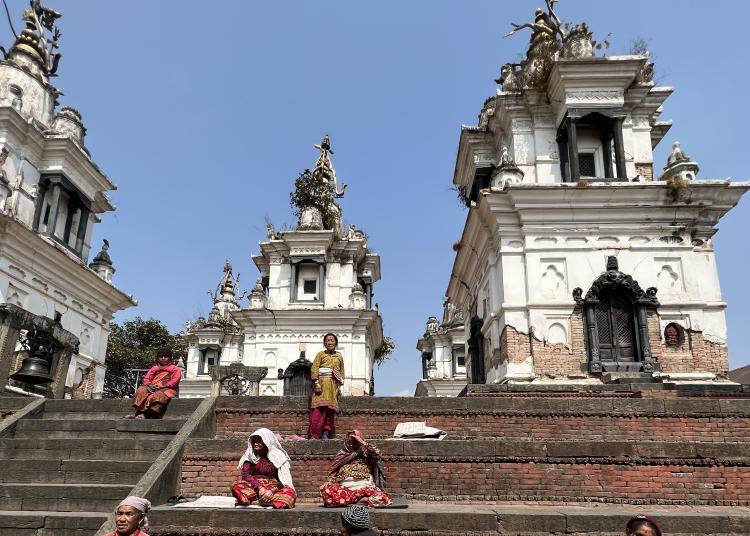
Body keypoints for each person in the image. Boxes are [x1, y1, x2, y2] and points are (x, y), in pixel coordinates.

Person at [321, 430, 392, 508]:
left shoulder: (366, 454)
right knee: (327, 492)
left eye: (354, 443)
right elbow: (334, 471)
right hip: (345, 490)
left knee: (382, 498)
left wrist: (363, 444)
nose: (351, 445)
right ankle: (359, 500)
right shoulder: (342, 454)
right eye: (349, 443)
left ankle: (352, 501)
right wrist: (329, 482)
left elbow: (377, 453)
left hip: (365, 488)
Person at [231, 427, 297, 508]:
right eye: (254, 441)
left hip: (272, 488)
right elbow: (245, 474)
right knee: (236, 486)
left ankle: (264, 501)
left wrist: (271, 491)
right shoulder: (249, 455)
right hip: (254, 488)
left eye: (259, 441)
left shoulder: (278, 457)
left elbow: (283, 480)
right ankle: (261, 501)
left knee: (290, 492)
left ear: (267, 441)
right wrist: (259, 487)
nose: (255, 443)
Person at [125, 346, 181, 419]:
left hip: (167, 389)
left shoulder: (175, 369)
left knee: (158, 395)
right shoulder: (154, 368)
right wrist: (149, 385)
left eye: (165, 356)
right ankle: (138, 412)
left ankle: (148, 414)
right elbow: (147, 378)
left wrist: (163, 386)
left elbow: (175, 380)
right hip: (153, 387)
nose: (163, 358)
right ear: (158, 358)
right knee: (141, 390)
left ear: (169, 358)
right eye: (161, 356)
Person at [309, 333, 345, 439]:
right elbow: (314, 368)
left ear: (336, 343)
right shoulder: (320, 354)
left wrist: (339, 386)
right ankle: (314, 435)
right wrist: (316, 383)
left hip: (333, 386)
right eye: (328, 340)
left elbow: (342, 372)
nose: (330, 342)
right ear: (325, 343)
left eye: (332, 340)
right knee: (318, 410)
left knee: (330, 411)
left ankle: (326, 432)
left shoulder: (339, 356)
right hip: (321, 384)